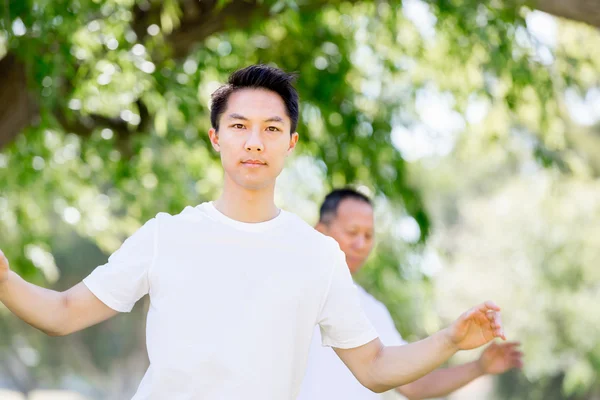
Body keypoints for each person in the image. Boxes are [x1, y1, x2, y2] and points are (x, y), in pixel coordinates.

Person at [0, 65, 507, 400]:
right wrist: (4, 280)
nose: (254, 142)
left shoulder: (318, 255)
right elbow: (62, 313)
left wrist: (450, 339)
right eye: (239, 126)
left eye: (271, 128)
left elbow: (374, 368)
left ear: (291, 143)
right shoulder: (166, 236)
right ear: (216, 138)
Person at [298, 188, 523, 400]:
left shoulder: (371, 310)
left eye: (368, 235)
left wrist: (479, 367)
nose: (361, 244)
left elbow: (412, 385)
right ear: (320, 231)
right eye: (352, 232)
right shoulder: (288, 286)